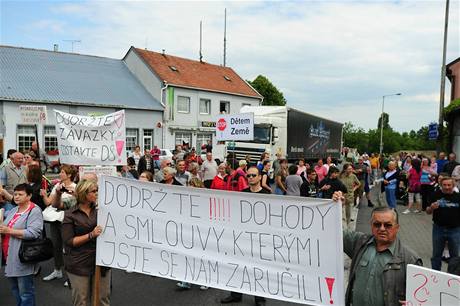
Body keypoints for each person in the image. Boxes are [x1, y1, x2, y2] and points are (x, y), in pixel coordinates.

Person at [343, 206, 422, 306]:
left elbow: (421, 297)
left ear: (397, 228)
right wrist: (336, 204)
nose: (382, 229)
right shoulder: (359, 242)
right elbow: (334, 232)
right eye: (377, 224)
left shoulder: (411, 260)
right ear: (371, 225)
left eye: (388, 225)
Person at [221, 166, 267, 306]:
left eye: (254, 175)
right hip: (242, 237)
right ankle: (236, 294)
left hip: (259, 238)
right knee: (238, 266)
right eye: (249, 176)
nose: (251, 178)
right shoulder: (242, 193)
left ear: (260, 177)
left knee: (257, 269)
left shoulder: (267, 195)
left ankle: (259, 299)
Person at [62, 179, 110, 306]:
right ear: (84, 194)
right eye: (93, 191)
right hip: (79, 263)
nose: (97, 193)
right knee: (81, 301)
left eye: (97, 190)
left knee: (102, 299)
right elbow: (69, 241)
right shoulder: (70, 214)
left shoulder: (101, 210)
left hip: (101, 261)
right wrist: (91, 235)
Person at [0, 183, 43, 306]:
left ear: (29, 196)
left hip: (22, 257)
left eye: (20, 194)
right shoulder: (14, 210)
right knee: (15, 290)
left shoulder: (34, 210)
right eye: (15, 194)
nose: (17, 197)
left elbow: (34, 233)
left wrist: (9, 231)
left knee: (26, 293)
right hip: (9, 256)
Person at [426, 176, 460, 271]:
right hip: (438, 229)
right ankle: (436, 277)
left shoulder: (458, 197)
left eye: (449, 185)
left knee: (455, 257)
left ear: (453, 186)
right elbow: (427, 211)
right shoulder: (435, 195)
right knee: (436, 255)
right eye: (444, 185)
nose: (447, 187)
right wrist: (432, 207)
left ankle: (453, 277)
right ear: (441, 185)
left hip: (455, 230)